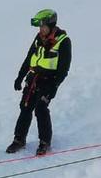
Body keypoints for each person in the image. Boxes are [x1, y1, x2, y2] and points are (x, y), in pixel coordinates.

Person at [7, 8, 72, 156]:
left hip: (49, 81)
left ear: (51, 25)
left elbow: (63, 69)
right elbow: (29, 58)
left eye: (43, 26)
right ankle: (19, 139)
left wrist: (54, 86)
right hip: (33, 78)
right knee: (25, 107)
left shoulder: (63, 41)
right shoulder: (38, 38)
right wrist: (20, 77)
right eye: (40, 27)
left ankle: (44, 142)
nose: (41, 29)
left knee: (41, 109)